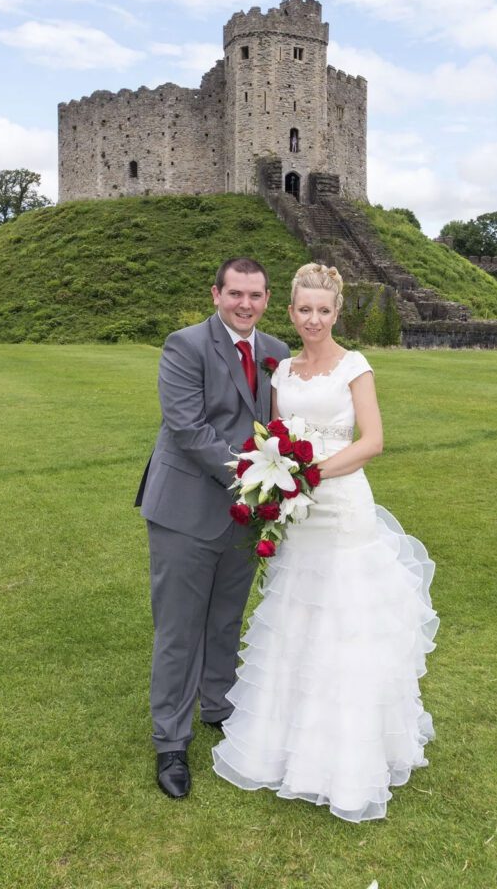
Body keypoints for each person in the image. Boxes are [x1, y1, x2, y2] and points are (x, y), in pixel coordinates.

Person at [212, 263, 439, 823]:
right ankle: (287, 743)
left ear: (338, 313)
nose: (314, 319)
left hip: (340, 509)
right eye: (304, 309)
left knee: (345, 622)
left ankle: (349, 756)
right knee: (297, 616)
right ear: (290, 312)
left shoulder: (355, 367)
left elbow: (374, 442)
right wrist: (278, 480)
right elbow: (271, 435)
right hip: (298, 513)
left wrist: (310, 475)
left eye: (324, 310)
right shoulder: (281, 370)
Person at [136, 258, 290, 799]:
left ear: (267, 299)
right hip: (186, 509)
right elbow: (188, 428)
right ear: (216, 294)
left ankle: (219, 708)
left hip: (247, 515)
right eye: (235, 294)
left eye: (255, 295)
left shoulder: (277, 352)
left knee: (225, 618)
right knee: (180, 630)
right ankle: (170, 742)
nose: (245, 304)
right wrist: (256, 476)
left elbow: (282, 426)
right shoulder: (185, 345)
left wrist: (287, 472)